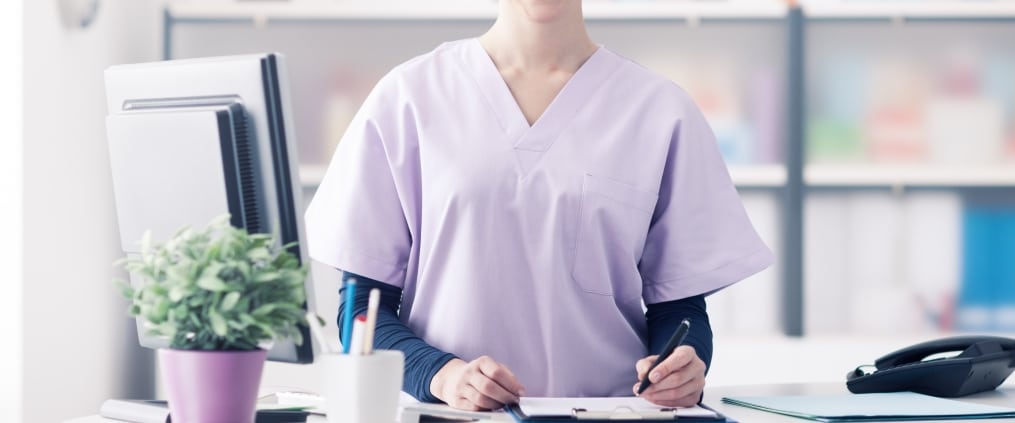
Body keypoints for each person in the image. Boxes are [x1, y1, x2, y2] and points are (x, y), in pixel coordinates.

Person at [304, 0, 774, 412]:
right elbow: (361, 314)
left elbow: (681, 309)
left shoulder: (660, 109)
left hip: (608, 412)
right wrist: (443, 376)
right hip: (451, 415)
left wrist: (684, 366)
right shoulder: (408, 96)